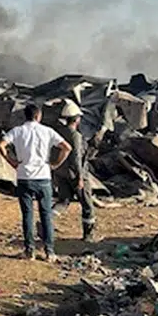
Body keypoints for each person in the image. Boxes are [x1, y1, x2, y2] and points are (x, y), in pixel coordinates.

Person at [0, 103, 72, 261]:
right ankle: (49, 252)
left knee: (27, 215)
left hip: (24, 177)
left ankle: (29, 251)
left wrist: (11, 161)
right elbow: (67, 147)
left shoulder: (17, 131)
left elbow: (1, 144)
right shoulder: (47, 131)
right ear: (38, 116)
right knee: (46, 215)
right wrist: (55, 164)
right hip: (44, 177)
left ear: (25, 116)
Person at [57, 99, 97, 243]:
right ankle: (89, 235)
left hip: (61, 173)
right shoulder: (75, 136)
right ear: (77, 119)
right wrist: (80, 177)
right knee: (87, 205)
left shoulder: (58, 132)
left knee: (63, 201)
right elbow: (76, 158)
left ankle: (46, 221)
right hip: (76, 174)